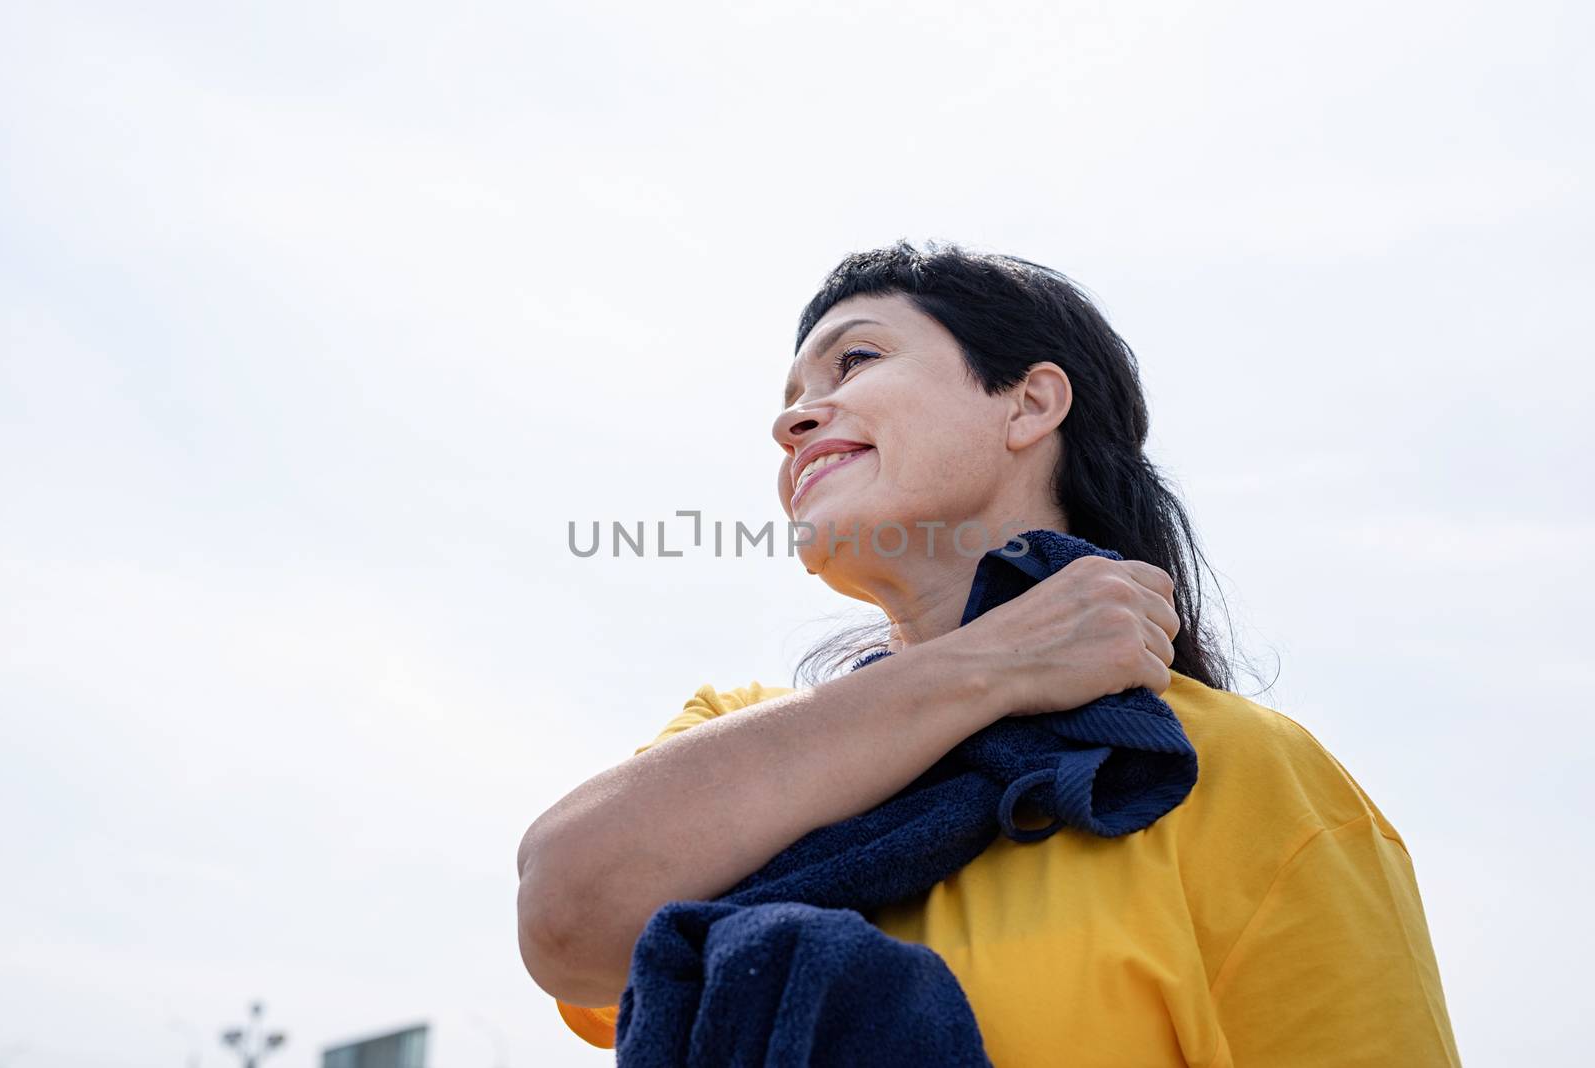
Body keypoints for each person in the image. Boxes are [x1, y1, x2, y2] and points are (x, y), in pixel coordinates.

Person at [516, 241, 1462, 1066]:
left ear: (1029, 404)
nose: (793, 421)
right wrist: (997, 662)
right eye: (792, 400)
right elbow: (568, 914)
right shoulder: (734, 730)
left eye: (855, 360)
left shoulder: (1234, 769)